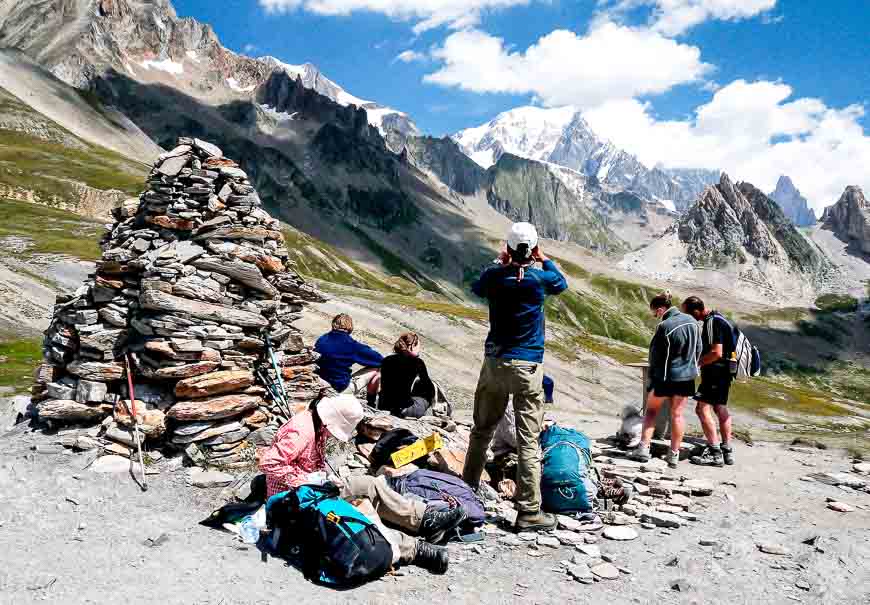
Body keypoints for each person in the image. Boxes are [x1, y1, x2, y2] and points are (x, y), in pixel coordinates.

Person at [258, 394, 466, 574]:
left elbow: (309, 463)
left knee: (369, 484)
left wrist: (325, 477)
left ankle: (425, 520)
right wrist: (305, 480)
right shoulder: (301, 431)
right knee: (354, 515)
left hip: (313, 488)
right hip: (291, 501)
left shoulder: (316, 423)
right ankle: (415, 550)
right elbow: (269, 462)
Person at [462, 222, 567, 532]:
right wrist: (543, 258)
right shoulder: (538, 279)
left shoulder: (495, 277)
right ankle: (529, 511)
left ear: (507, 248)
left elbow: (477, 287)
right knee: (528, 441)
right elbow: (561, 283)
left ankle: (465, 494)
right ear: (532, 249)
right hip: (528, 365)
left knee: (482, 432)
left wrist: (500, 261)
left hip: (495, 362)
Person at [629, 292, 701, 468]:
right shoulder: (693, 322)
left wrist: (653, 379)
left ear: (661, 309)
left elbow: (655, 357)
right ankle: (674, 454)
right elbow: (698, 349)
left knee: (651, 411)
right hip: (687, 377)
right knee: (677, 414)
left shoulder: (665, 326)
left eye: (655, 313)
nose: (656, 316)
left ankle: (643, 449)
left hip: (666, 377)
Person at [682, 296, 736, 467]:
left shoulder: (712, 322)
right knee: (720, 407)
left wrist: (697, 363)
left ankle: (714, 453)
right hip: (726, 371)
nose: (690, 318)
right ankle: (727, 450)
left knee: (701, 409)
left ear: (696, 311)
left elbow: (716, 352)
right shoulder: (720, 318)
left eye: (689, 314)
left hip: (716, 372)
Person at [314, 314, 383, 405]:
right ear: (350, 327)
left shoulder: (322, 339)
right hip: (338, 388)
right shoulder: (351, 345)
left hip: (320, 383)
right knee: (376, 369)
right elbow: (379, 360)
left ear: (333, 324)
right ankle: (371, 403)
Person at [377, 332, 436, 418]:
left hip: (383, 406)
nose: (419, 349)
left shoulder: (387, 359)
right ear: (412, 346)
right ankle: (434, 412)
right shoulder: (417, 362)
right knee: (430, 389)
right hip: (403, 410)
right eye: (418, 346)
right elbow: (429, 388)